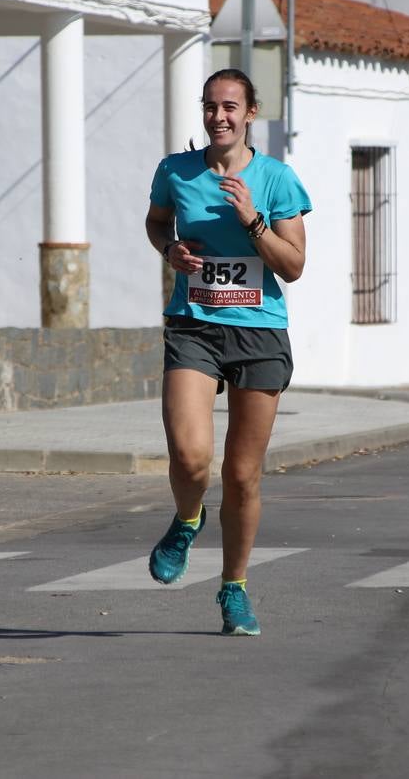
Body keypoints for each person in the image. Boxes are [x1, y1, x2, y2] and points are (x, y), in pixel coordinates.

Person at [143, 68, 311, 637]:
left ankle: (234, 589)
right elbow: (157, 222)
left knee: (242, 475)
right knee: (190, 456)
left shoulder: (275, 178)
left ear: (250, 114)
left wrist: (253, 221)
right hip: (193, 324)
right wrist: (172, 251)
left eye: (230, 106)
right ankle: (187, 519)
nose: (219, 116)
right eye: (211, 106)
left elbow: (293, 265)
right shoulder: (176, 171)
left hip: (259, 331)